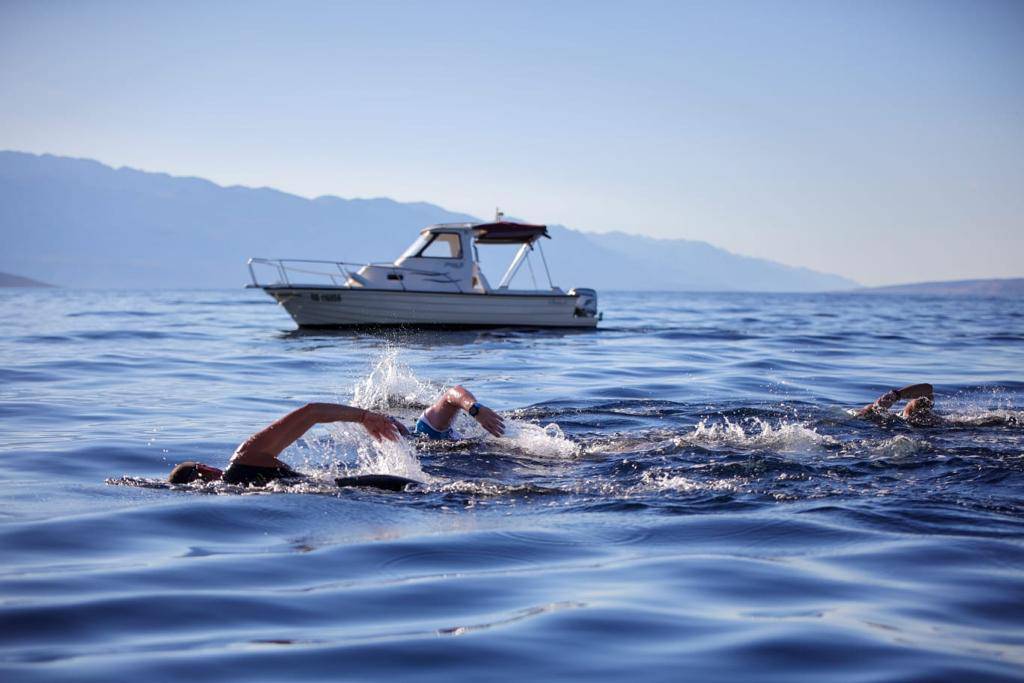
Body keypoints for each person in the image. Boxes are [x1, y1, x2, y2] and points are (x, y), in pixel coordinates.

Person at [167, 385, 504, 490]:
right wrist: (363, 416)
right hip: (368, 485)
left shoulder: (240, 493)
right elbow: (312, 411)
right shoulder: (242, 462)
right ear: (206, 471)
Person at [856, 383, 942, 425]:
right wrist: (895, 395)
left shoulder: (898, 417)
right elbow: (928, 388)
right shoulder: (940, 421)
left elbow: (928, 388)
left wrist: (895, 395)